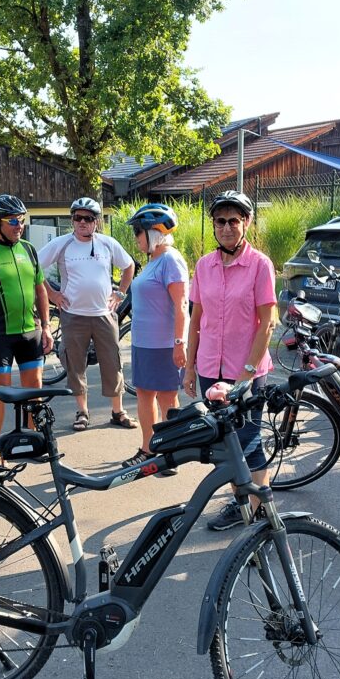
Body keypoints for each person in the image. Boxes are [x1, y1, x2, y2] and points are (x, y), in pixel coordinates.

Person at [183, 190, 277, 531]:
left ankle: (259, 513)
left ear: (246, 223)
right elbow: (196, 319)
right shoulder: (204, 266)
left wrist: (247, 374)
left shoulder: (260, 265)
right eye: (220, 221)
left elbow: (268, 322)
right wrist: (189, 366)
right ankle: (240, 505)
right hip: (210, 367)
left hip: (245, 371)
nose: (226, 227)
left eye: (233, 221)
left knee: (249, 442)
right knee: (224, 443)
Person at [0, 194, 54, 466]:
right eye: (13, 221)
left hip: (30, 331)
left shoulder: (28, 249)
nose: (19, 225)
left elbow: (40, 289)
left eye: (22, 221)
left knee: (34, 389)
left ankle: (33, 441)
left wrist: (48, 327)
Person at [37, 197, 138, 433]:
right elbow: (34, 265)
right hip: (73, 315)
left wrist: (121, 293)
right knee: (75, 363)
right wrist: (52, 294)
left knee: (112, 362)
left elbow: (128, 265)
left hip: (104, 313)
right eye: (77, 218)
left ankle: (117, 411)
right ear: (72, 220)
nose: (82, 222)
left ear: (96, 222)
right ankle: (82, 412)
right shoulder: (62, 244)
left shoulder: (107, 243)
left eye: (88, 218)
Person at [120, 203, 189, 472]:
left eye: (139, 230)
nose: (135, 236)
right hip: (143, 343)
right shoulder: (153, 260)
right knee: (145, 395)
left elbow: (182, 305)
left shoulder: (171, 260)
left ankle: (169, 452)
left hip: (163, 344)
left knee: (167, 399)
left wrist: (179, 344)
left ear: (155, 232)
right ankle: (150, 448)